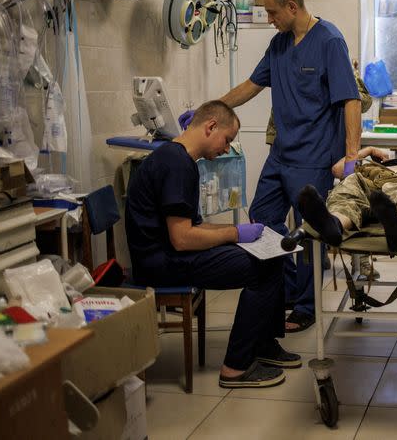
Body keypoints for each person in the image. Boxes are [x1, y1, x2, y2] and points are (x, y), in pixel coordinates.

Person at [178, 0, 362, 333]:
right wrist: (209, 110)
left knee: (309, 231)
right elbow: (251, 85)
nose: (269, 19)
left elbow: (350, 99)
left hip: (315, 155)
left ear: (292, 7)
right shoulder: (278, 44)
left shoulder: (330, 41)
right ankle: (289, 285)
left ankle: (306, 306)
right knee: (262, 216)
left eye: (272, 12)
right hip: (281, 153)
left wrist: (351, 155)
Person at [125, 101, 300, 388]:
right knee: (264, 269)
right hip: (160, 264)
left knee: (271, 257)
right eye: (227, 139)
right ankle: (236, 367)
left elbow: (192, 226)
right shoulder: (177, 164)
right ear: (210, 127)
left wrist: (244, 233)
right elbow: (182, 239)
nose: (227, 148)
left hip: (167, 254)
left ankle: (262, 344)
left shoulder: (176, 158)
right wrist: (233, 234)